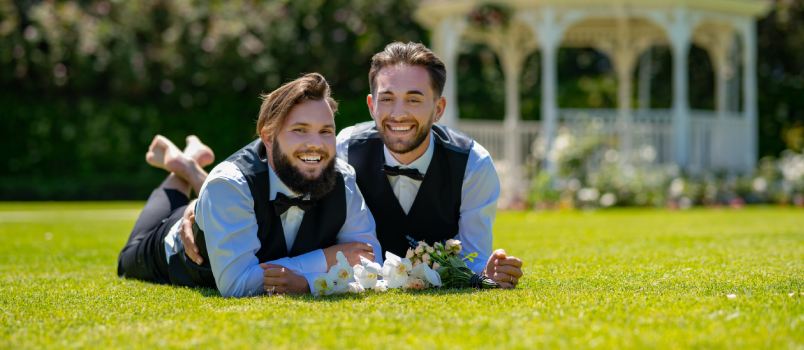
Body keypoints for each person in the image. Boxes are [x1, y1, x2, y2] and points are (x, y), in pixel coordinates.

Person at [117, 73, 381, 297]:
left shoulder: (343, 178)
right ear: (268, 137)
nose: (315, 143)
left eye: (325, 131)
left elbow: (369, 262)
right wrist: (326, 259)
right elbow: (238, 284)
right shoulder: (229, 184)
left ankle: (188, 166)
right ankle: (184, 168)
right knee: (127, 259)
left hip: (221, 204)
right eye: (300, 130)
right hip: (170, 247)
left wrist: (305, 282)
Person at [336, 42, 523, 289]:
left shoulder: (473, 164)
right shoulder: (345, 150)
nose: (398, 113)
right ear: (372, 106)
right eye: (387, 99)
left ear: (438, 109)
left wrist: (488, 273)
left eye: (413, 99)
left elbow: (474, 258)